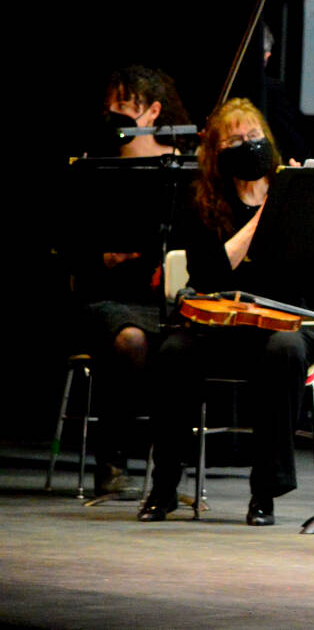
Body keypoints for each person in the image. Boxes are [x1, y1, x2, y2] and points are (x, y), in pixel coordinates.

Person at [137, 98, 314, 525]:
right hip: (218, 328)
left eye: (253, 137)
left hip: (281, 325)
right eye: (235, 140)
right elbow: (210, 273)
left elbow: (309, 276)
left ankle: (265, 493)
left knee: (286, 350)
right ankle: (163, 487)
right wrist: (262, 218)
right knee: (173, 351)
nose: (247, 145)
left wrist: (287, 203)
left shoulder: (293, 192)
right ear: (217, 151)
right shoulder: (202, 201)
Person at [75, 66, 192, 496]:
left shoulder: (178, 166)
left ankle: (169, 472)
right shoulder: (97, 164)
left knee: (182, 344)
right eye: (109, 106)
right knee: (131, 341)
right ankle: (112, 460)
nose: (112, 113)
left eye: (123, 105)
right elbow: (70, 243)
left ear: (152, 111)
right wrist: (104, 255)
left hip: (163, 294)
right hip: (108, 295)